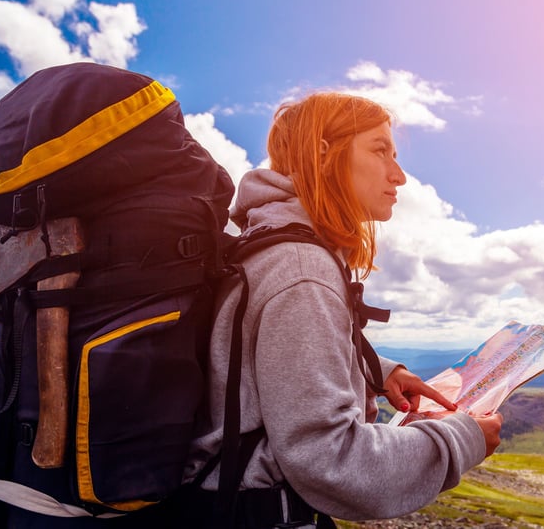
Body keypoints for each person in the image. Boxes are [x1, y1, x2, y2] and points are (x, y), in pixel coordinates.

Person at [179, 92, 503, 527]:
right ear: (324, 154)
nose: (400, 175)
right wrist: (461, 440)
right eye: (379, 150)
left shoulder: (270, 244)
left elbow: (260, 356)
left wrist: (374, 369)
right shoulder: (301, 270)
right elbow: (331, 461)